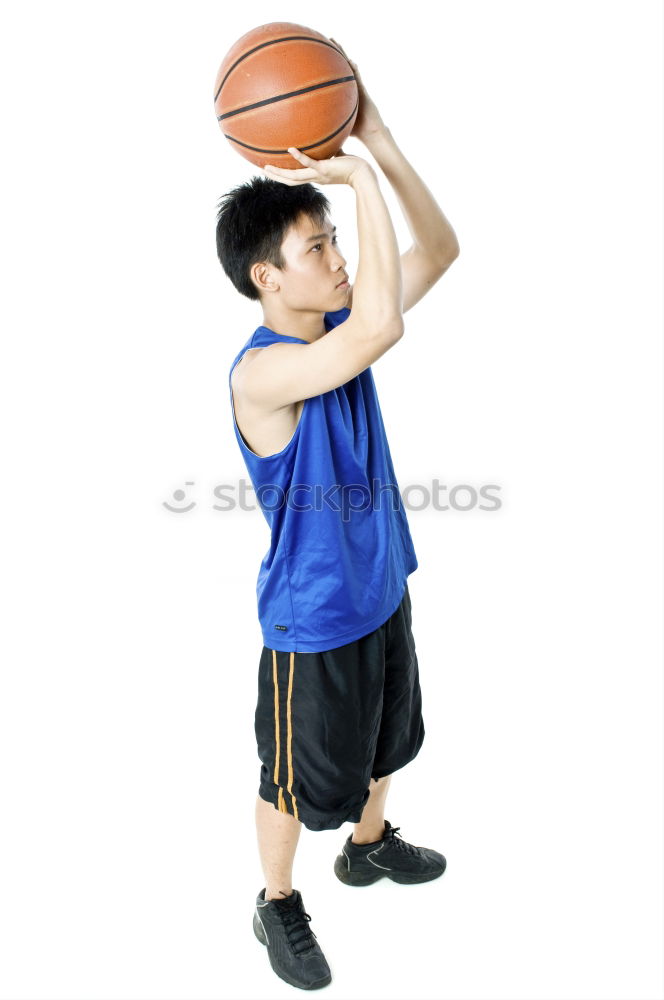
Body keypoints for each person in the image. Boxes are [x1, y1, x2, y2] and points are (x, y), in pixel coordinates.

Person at [216, 45, 460, 992]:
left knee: (388, 741)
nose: (338, 255)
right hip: (310, 619)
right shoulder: (264, 372)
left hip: (379, 584)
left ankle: (367, 846)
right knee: (293, 778)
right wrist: (350, 174)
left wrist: (382, 141)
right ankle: (276, 904)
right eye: (316, 247)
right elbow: (381, 329)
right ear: (266, 278)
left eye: (333, 239)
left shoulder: (339, 323)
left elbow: (437, 252)